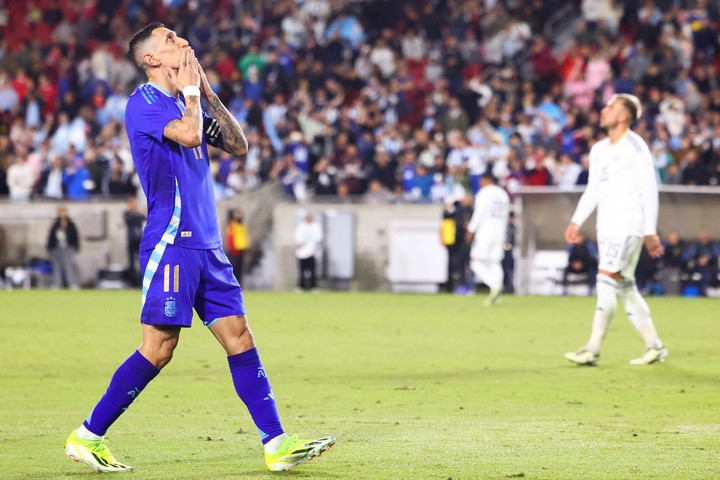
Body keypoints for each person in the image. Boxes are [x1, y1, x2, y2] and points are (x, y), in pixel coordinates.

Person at [64, 23, 334, 474]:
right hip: (172, 243)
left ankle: (276, 443)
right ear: (151, 59)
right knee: (159, 347)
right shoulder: (144, 103)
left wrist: (205, 91)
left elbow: (238, 144)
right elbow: (189, 136)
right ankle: (87, 436)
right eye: (170, 40)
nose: (183, 41)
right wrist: (190, 93)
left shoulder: (183, 101)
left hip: (208, 245)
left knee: (239, 337)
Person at [563, 94, 668, 367]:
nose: (603, 111)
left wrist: (649, 231)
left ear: (624, 116)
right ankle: (655, 346)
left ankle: (592, 349)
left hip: (628, 225)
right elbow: (593, 190)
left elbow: (649, 190)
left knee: (605, 281)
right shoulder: (598, 149)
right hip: (606, 227)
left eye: (610, 108)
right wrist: (576, 221)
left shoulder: (636, 146)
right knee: (625, 287)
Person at [465, 173, 510, 306]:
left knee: (475, 262)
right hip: (499, 233)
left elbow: (479, 213)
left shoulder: (484, 193)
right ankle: (496, 296)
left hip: (485, 232)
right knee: (494, 262)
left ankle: (495, 285)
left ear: (486, 180)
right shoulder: (503, 194)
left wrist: (471, 230)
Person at [47, 206, 80, 290]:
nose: (62, 214)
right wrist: (50, 247)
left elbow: (75, 236)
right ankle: (56, 283)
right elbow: (51, 237)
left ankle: (72, 283)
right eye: (61, 212)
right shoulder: (55, 224)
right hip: (57, 248)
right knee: (56, 266)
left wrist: (76, 246)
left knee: (69, 266)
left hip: (68, 247)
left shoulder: (70, 224)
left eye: (64, 212)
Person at [561, 231, 598, 296]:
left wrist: (582, 264)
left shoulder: (588, 246)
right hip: (574, 267)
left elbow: (592, 259)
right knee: (566, 270)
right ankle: (564, 289)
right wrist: (573, 264)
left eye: (578, 237)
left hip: (586, 266)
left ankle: (591, 290)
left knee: (592, 271)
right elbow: (570, 257)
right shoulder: (573, 247)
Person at [294, 211, 323, 292]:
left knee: (312, 271)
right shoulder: (301, 226)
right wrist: (299, 244)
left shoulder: (316, 226)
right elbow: (297, 239)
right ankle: (301, 286)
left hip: (312, 252)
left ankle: (313, 286)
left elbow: (319, 238)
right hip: (302, 253)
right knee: (302, 271)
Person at [123, 195, 146, 287]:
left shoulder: (137, 214)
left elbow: (143, 218)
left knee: (141, 262)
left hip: (139, 241)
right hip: (131, 240)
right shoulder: (127, 214)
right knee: (131, 263)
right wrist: (138, 214)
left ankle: (141, 281)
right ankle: (132, 282)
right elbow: (130, 219)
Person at [225, 208, 250, 285]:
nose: (239, 215)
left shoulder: (242, 225)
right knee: (234, 268)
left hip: (242, 249)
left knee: (240, 269)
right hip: (234, 250)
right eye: (237, 213)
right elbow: (230, 238)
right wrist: (232, 249)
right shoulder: (232, 225)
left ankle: (239, 284)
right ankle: (232, 284)